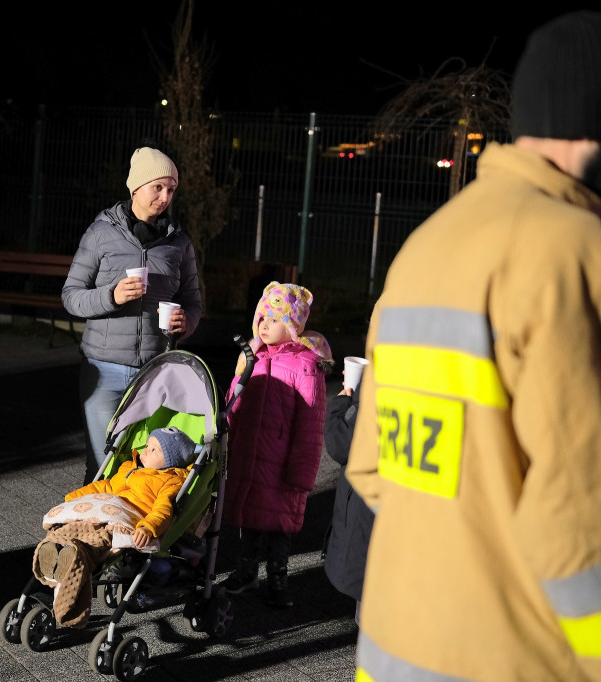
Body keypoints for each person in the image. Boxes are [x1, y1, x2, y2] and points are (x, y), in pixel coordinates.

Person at [346, 12, 601, 681]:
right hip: (514, 660)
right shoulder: (576, 252)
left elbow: (371, 465)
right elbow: (577, 515)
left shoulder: (424, 247)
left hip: (392, 648)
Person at [61, 146, 202, 485]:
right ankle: (92, 534)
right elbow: (71, 297)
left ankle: (130, 537)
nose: (165, 196)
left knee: (145, 468)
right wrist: (112, 296)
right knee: (102, 464)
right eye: (158, 187)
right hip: (104, 368)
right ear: (136, 187)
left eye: (171, 189)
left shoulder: (178, 243)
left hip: (155, 372)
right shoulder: (101, 233)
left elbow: (194, 303)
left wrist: (187, 322)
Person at [218, 282, 331, 607]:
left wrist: (302, 471)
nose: (264, 325)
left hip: (282, 465)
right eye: (262, 318)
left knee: (279, 527)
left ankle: (278, 578)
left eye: (274, 319)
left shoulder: (305, 365)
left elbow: (312, 423)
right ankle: (247, 571)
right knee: (250, 520)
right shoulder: (250, 358)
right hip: (251, 458)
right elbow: (233, 403)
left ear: (293, 327)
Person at [33, 426, 195, 628]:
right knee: (68, 526)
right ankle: (59, 548)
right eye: (147, 445)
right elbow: (105, 486)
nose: (145, 450)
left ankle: (70, 575)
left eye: (155, 450)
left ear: (171, 461)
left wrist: (147, 527)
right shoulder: (129, 468)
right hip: (101, 509)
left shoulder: (168, 480)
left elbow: (162, 511)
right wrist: (76, 498)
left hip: (123, 519)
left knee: (93, 538)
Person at [322, 385, 373, 625]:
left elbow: (342, 444)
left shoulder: (386, 372)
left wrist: (340, 406)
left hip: (371, 513)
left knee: (370, 621)